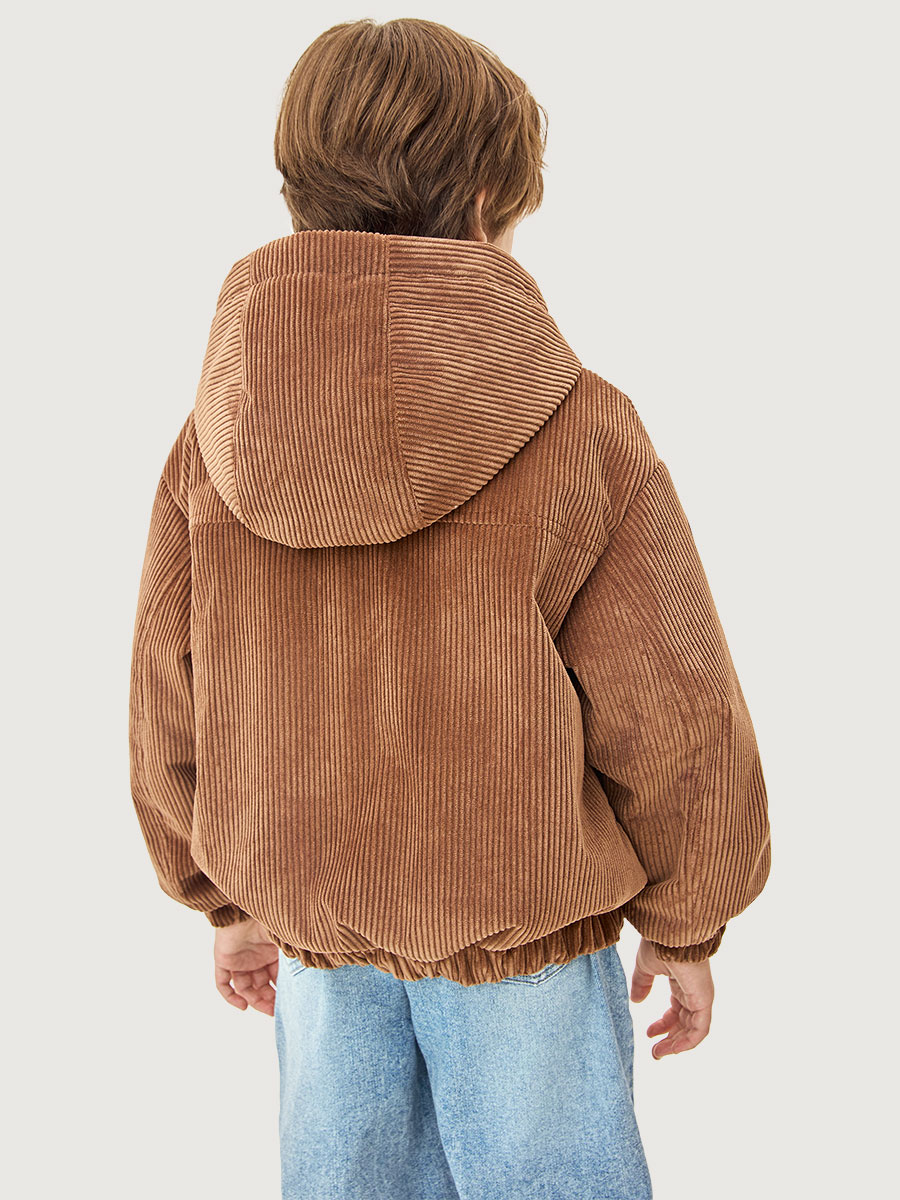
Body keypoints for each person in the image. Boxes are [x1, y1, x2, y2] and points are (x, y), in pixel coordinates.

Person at [128, 17, 771, 1200]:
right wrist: (689, 919)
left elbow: (171, 682)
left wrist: (219, 896)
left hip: (316, 939)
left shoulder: (216, 434)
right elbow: (671, 702)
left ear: (299, 188)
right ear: (485, 200)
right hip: (524, 941)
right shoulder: (580, 425)